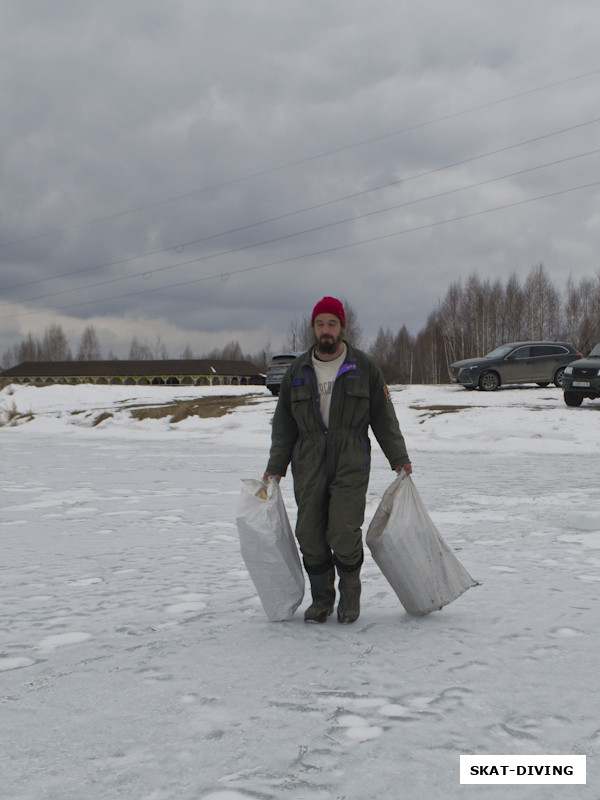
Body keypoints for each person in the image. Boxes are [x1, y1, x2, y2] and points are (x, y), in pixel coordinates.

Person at [263, 296, 412, 624]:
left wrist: (398, 457)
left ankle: (350, 593)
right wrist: (276, 466)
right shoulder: (298, 370)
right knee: (310, 533)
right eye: (320, 324)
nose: (326, 330)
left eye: (332, 323)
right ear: (313, 328)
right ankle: (322, 600)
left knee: (343, 530)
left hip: (350, 459)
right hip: (309, 460)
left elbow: (383, 417)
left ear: (343, 327)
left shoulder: (364, 367)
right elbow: (284, 424)